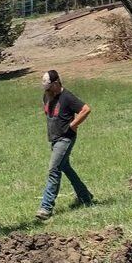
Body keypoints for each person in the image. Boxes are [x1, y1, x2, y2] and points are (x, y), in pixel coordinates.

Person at [38, 70, 93, 220]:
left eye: (49, 88)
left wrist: (73, 124)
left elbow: (86, 109)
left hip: (65, 138)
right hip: (55, 139)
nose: (47, 91)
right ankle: (85, 196)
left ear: (56, 83)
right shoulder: (47, 96)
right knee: (65, 168)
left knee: (54, 169)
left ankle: (46, 207)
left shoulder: (67, 97)